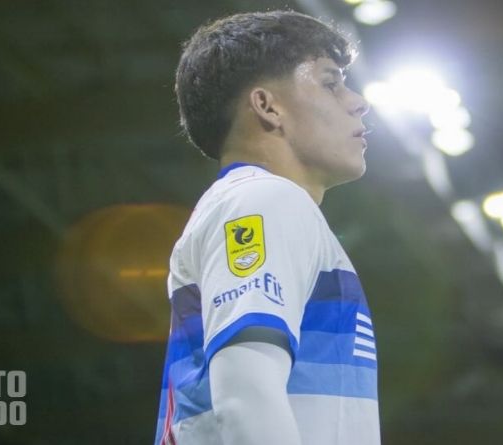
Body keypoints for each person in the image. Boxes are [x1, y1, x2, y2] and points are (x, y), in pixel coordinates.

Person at [154, 10, 378, 445]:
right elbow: (245, 395)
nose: (357, 102)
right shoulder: (262, 200)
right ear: (268, 106)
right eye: (331, 83)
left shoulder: (257, 203)